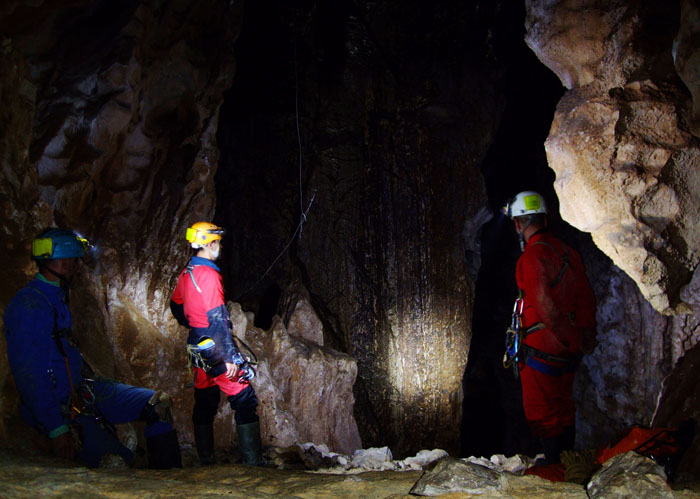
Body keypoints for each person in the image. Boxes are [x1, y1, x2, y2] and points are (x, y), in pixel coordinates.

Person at [3, 228, 182, 469]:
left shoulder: (56, 296)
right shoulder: (30, 305)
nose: (78, 268)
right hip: (58, 410)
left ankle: (169, 480)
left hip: (84, 390)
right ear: (65, 263)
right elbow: (29, 373)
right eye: (76, 261)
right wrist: (57, 428)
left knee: (158, 404)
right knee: (117, 464)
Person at [504, 191, 597, 464]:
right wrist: (581, 338)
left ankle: (557, 469)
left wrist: (566, 338)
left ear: (518, 224)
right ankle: (567, 463)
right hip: (567, 350)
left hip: (542, 349)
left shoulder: (532, 257)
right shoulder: (568, 252)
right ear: (544, 218)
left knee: (543, 415)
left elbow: (544, 305)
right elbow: (586, 297)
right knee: (564, 408)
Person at [170, 221, 263, 466]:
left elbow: (176, 305)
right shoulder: (209, 275)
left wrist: (194, 324)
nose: (220, 246)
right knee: (245, 399)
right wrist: (230, 357)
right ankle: (254, 466)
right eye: (218, 242)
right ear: (210, 243)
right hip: (214, 347)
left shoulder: (188, 271)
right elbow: (217, 319)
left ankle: (207, 461)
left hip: (197, 345)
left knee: (206, 400)